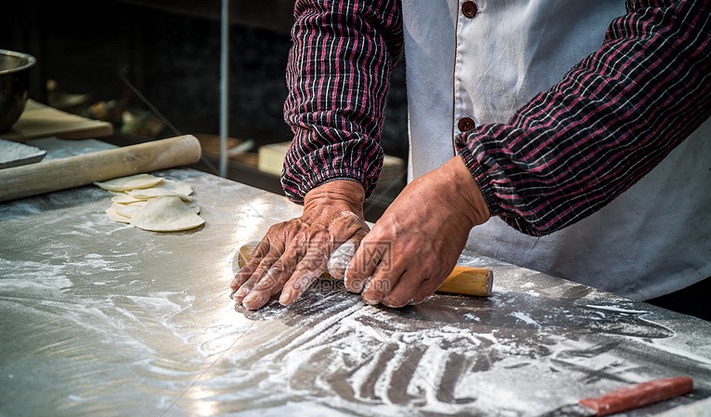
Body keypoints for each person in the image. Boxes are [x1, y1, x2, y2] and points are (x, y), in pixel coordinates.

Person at [231, 0, 711, 315]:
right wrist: (330, 181)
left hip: (632, 258)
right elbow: (343, 18)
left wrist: (469, 189)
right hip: (425, 272)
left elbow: (681, 37)